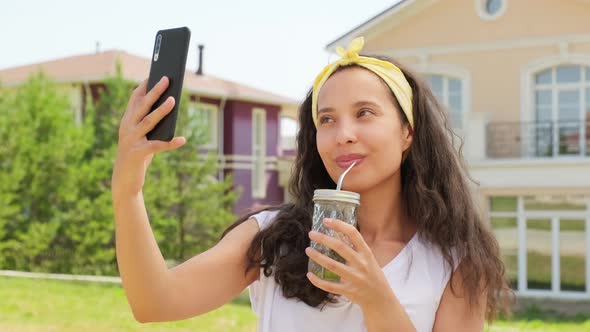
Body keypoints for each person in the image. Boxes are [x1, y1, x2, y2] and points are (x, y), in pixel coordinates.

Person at [112, 36, 511, 332]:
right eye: (328, 119)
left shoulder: (454, 263)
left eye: (365, 113)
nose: (344, 134)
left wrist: (376, 297)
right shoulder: (272, 237)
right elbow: (154, 301)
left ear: (408, 132)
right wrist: (128, 189)